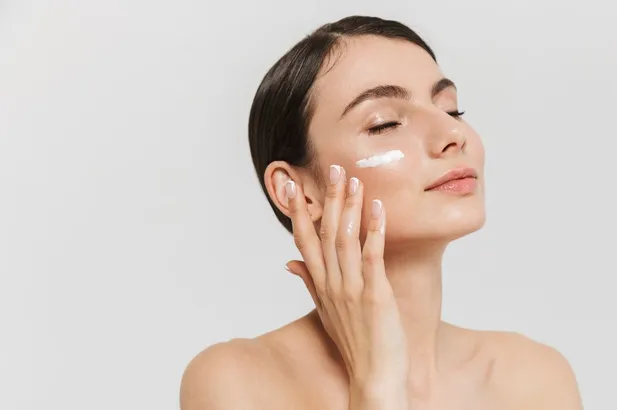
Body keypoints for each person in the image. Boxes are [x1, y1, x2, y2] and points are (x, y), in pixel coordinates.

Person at [180, 15, 582, 410]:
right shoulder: (239, 381)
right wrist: (376, 383)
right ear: (297, 191)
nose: (453, 134)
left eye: (451, 109)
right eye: (384, 123)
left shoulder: (532, 378)